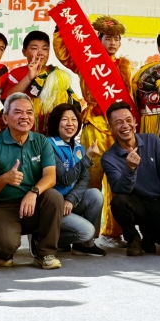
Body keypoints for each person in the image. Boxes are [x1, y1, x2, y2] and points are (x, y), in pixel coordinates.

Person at [54, 15, 134, 239]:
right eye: (108, 38)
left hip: (118, 128)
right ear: (98, 40)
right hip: (94, 125)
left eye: (116, 39)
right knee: (91, 179)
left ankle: (115, 231)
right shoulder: (87, 60)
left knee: (119, 179)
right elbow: (65, 55)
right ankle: (89, 235)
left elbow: (129, 98)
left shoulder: (124, 66)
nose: (112, 43)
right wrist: (60, 29)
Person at [0, 92, 63, 269]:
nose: (25, 116)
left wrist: (33, 192)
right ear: (5, 118)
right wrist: (5, 178)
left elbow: (50, 176)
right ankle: (5, 246)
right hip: (3, 206)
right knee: (5, 250)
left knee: (54, 197)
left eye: (29, 112)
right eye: (18, 112)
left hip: (33, 202)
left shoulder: (41, 141)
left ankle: (45, 253)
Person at [101, 102, 160, 257]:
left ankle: (150, 233)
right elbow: (119, 189)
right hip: (136, 203)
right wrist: (130, 169)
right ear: (110, 127)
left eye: (128, 120)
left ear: (134, 122)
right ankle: (133, 238)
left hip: (159, 201)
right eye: (118, 122)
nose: (125, 126)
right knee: (119, 202)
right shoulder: (108, 157)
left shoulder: (152, 140)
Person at [46, 103, 105, 255]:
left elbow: (84, 179)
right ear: (55, 122)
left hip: (70, 202)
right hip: (54, 204)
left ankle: (85, 244)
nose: (70, 123)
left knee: (95, 195)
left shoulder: (79, 147)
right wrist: (87, 158)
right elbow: (64, 178)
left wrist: (71, 199)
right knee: (87, 230)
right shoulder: (49, 145)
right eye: (65, 119)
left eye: (74, 119)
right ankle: (44, 239)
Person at [1, 31, 78, 134]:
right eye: (34, 48)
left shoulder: (58, 74)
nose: (40, 53)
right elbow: (7, 99)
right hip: (24, 130)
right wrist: (29, 77)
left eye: (44, 49)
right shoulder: (16, 73)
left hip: (52, 132)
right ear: (24, 52)